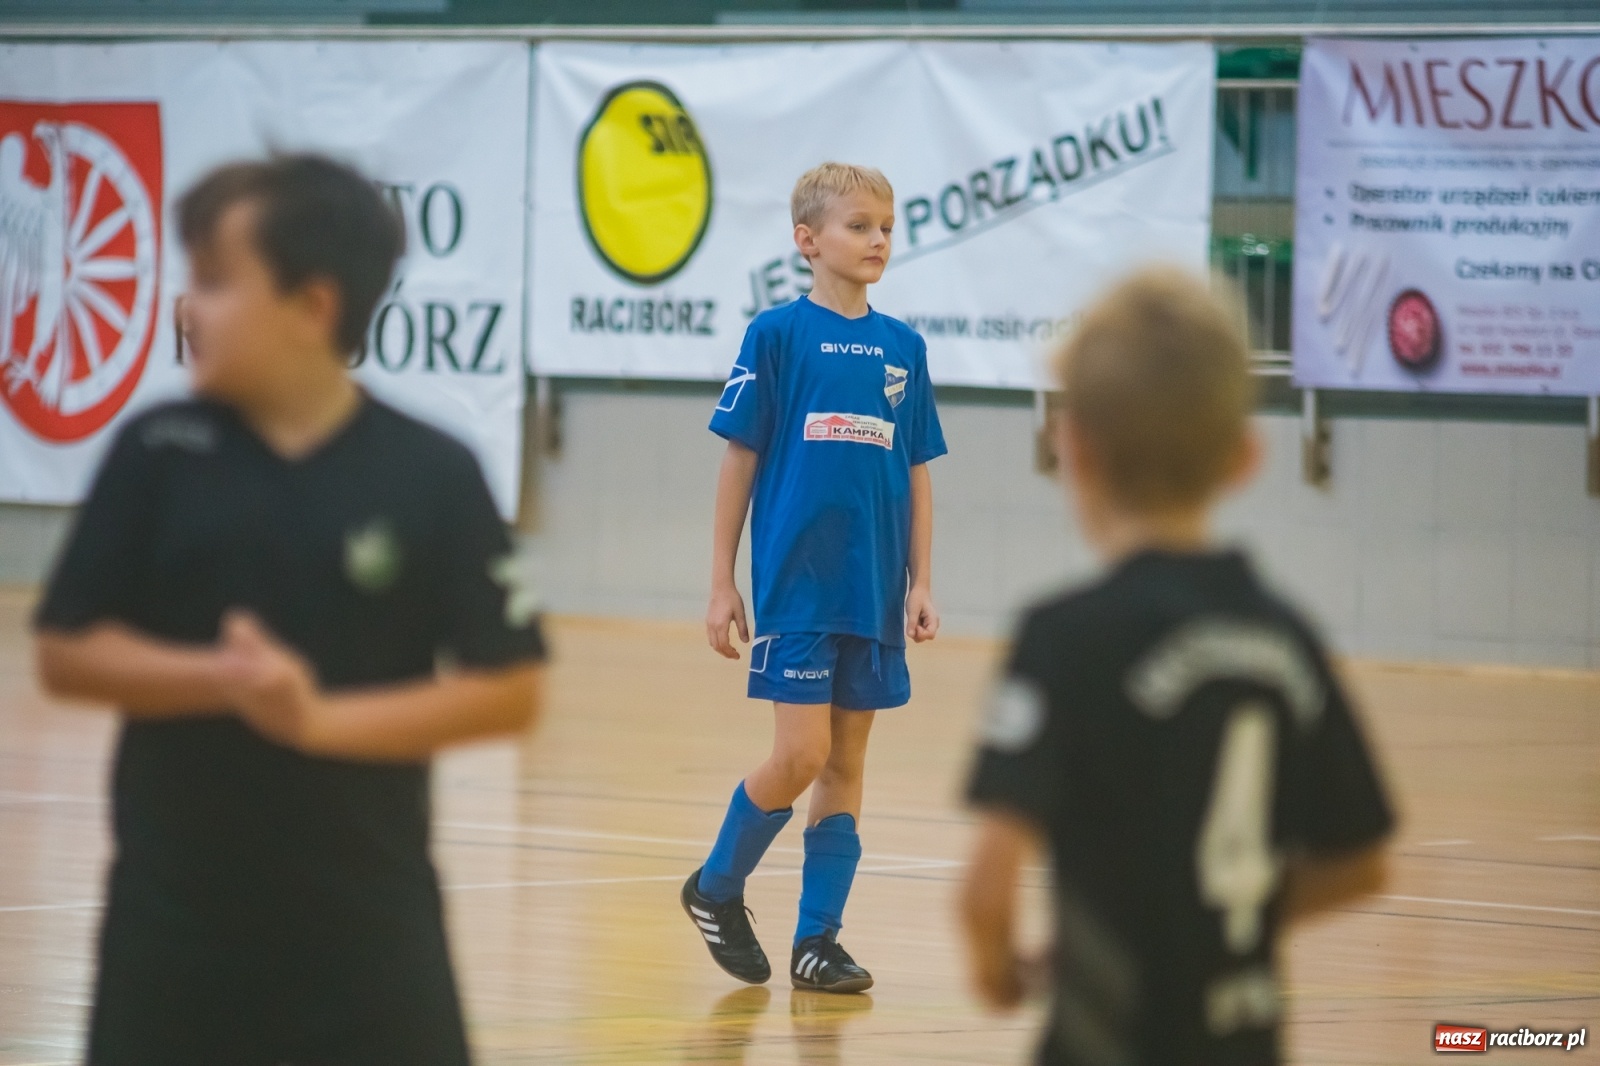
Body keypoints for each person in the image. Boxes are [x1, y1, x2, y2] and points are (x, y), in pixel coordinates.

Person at [32, 154, 545, 1066]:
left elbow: (509, 689)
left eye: (218, 282)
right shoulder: (157, 454)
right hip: (171, 941)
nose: (190, 308)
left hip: (372, 946)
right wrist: (222, 679)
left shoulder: (433, 473)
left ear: (312, 306)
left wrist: (314, 718)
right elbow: (67, 651)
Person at [960, 267, 1395, 1065]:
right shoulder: (1285, 636)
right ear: (1244, 457)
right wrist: (1227, 918)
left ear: (1075, 447)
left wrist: (1000, 971)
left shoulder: (1064, 637)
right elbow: (1361, 863)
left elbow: (987, 892)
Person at [682, 162, 946, 994]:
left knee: (846, 764)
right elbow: (740, 459)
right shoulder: (777, 336)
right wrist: (722, 582)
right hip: (797, 586)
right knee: (800, 755)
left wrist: (920, 581)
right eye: (860, 225)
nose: (878, 240)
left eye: (887, 227)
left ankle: (817, 941)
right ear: (807, 240)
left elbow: (917, 472)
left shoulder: (904, 347)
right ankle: (715, 887)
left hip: (872, 591)